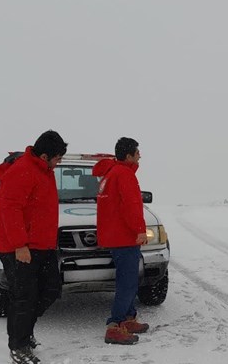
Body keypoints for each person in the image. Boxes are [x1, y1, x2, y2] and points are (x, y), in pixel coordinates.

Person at [0, 130, 67, 364]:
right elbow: (9, 209)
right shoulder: (23, 171)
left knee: (50, 290)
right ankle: (19, 346)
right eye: (57, 158)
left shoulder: (44, 170)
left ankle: (24, 331)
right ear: (44, 156)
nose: (58, 163)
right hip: (21, 249)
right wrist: (19, 245)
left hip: (42, 246)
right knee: (23, 298)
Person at [92, 137, 150, 345]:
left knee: (128, 279)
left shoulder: (111, 173)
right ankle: (114, 326)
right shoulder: (124, 174)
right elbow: (132, 206)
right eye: (137, 153)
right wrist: (140, 231)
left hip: (115, 236)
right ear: (128, 156)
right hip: (124, 238)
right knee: (127, 282)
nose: (139, 156)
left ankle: (128, 318)